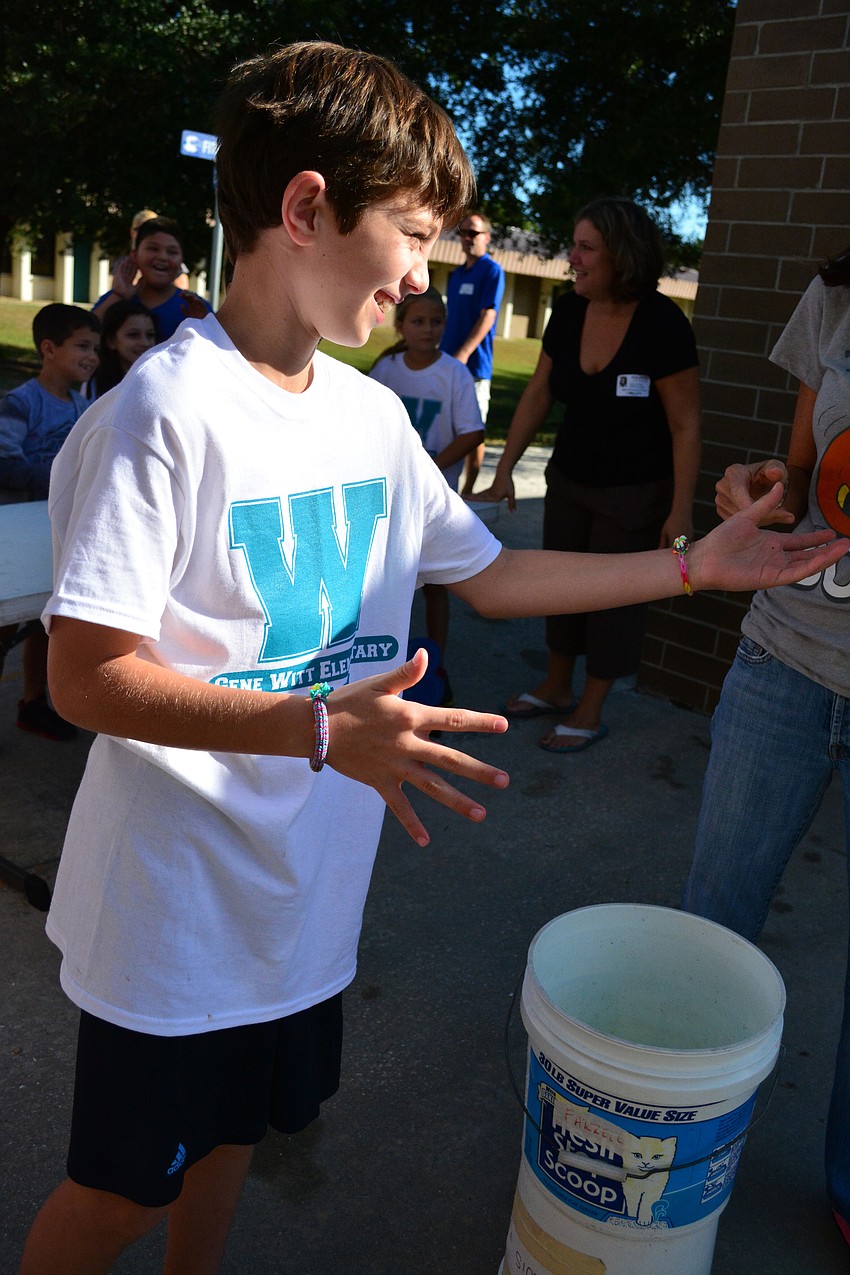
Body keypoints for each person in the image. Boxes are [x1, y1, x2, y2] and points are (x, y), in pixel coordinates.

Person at [17, 41, 848, 1275]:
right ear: (305, 209)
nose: (426, 269)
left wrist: (692, 569)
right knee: (122, 1192)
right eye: (411, 232)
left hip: (301, 906)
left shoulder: (363, 414)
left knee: (242, 1136)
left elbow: (489, 573)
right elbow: (84, 676)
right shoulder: (161, 415)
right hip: (174, 915)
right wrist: (316, 730)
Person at [681, 247, 850, 1249]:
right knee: (712, 924)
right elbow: (797, 478)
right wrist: (753, 489)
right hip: (784, 658)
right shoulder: (836, 297)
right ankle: (677, 1135)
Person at [479, 197, 702, 754]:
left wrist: (679, 511)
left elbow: (685, 426)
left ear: (621, 255)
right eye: (573, 245)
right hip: (570, 483)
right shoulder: (570, 310)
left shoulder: (662, 324)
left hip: (634, 496)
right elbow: (537, 392)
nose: (570, 259)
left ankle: (590, 706)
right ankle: (556, 687)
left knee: (613, 601)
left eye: (585, 248)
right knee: (559, 588)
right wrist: (504, 468)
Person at [369, 287, 484, 690]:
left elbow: (472, 432)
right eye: (418, 320)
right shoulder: (386, 370)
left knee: (436, 585)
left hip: (433, 501)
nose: (428, 329)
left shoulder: (454, 373)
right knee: (384, 584)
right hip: (388, 498)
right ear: (400, 325)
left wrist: (425, 469)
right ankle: (382, 665)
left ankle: (435, 663)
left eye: (436, 321)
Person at [0, 303, 99, 741]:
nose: (92, 356)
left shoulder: (84, 406)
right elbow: (5, 462)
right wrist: (64, 480)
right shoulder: (21, 402)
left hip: (55, 534)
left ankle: (33, 703)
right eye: (82, 346)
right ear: (48, 349)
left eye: (95, 348)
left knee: (47, 623)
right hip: (16, 536)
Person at [439, 209, 505, 494]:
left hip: (475, 367)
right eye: (463, 233)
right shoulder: (455, 275)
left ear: (486, 238)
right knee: (447, 427)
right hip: (446, 362)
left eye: (473, 233)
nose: (467, 238)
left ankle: (468, 492)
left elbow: (488, 315)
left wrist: (464, 353)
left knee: (472, 432)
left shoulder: (492, 271)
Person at [92, 215, 210, 339]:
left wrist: (202, 326)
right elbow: (85, 335)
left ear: (181, 259)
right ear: (134, 255)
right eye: (153, 249)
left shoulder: (195, 307)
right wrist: (119, 295)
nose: (162, 257)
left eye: (172, 252)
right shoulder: (115, 300)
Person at [83, 299, 158, 399]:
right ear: (111, 341)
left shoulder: (161, 380)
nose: (144, 343)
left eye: (150, 335)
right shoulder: (93, 384)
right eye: (133, 335)